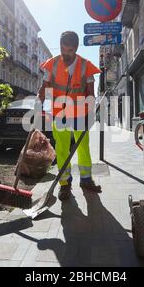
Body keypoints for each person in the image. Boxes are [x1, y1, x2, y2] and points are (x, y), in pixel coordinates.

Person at [38, 31, 102, 201]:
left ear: (76, 48)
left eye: (70, 50)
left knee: (83, 147)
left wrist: (90, 110)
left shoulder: (85, 66)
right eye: (63, 49)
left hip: (80, 112)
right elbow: (44, 87)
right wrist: (40, 103)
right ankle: (65, 184)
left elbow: (90, 92)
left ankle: (86, 180)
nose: (66, 53)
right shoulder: (51, 64)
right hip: (59, 112)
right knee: (62, 149)